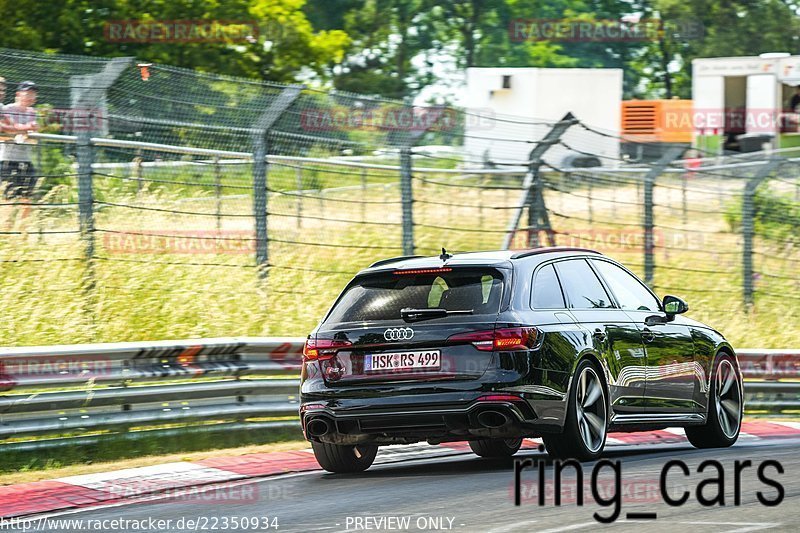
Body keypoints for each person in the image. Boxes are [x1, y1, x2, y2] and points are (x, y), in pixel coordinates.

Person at [0, 80, 39, 201]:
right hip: (8, 159)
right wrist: (26, 129)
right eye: (27, 93)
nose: (31, 97)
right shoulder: (6, 109)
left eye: (33, 94)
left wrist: (28, 134)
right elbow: (6, 131)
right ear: (18, 94)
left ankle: (25, 220)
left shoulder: (33, 113)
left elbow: (34, 138)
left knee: (27, 197)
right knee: (8, 198)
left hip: (26, 159)